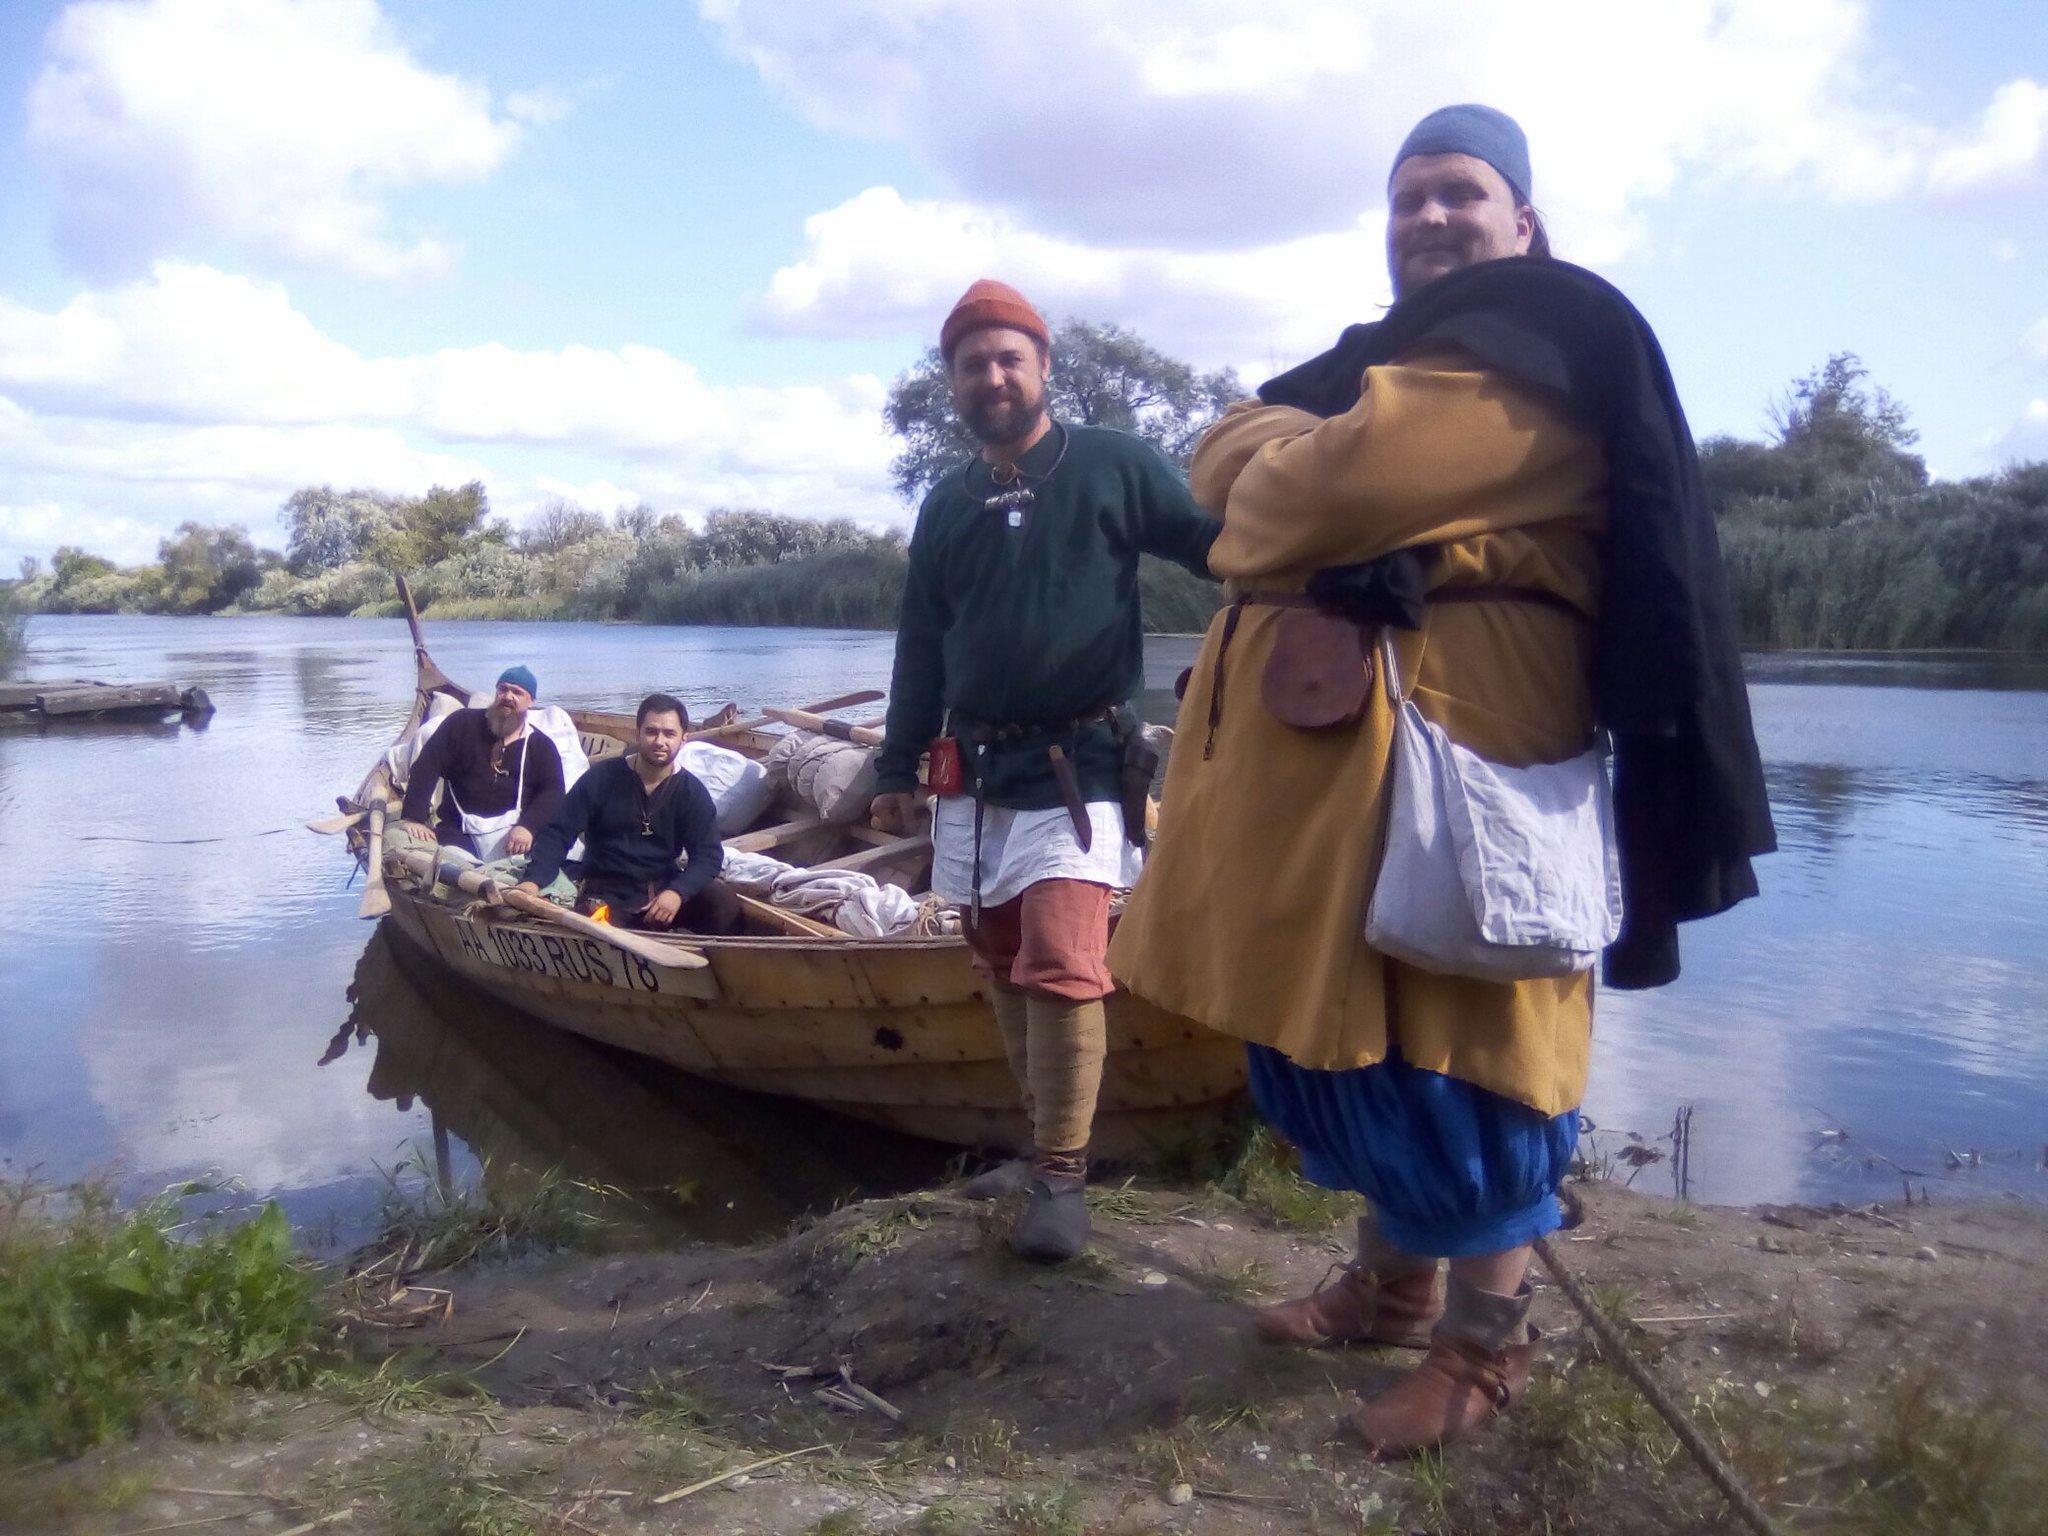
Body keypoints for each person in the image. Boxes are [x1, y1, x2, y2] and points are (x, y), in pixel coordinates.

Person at [1109, 105, 1774, 1454]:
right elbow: (1221, 466)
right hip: (1353, 762)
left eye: (1461, 192)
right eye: (1407, 196)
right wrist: (1276, 454)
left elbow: (1297, 505)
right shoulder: (1389, 362)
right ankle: (1393, 1285)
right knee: (1348, 1013)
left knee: (1464, 1034)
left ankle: (1484, 1351)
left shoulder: (1534, 349)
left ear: (1523, 219)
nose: (1429, 217)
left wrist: (1281, 460)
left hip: (1468, 748)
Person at [869, 279, 1222, 1264]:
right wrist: (896, 762)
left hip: (1082, 767)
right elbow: (919, 648)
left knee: (1065, 964)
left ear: (1042, 366)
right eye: (972, 362)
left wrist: (1305, 595)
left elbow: (1221, 547)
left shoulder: (1113, 465)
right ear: (953, 382)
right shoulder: (947, 503)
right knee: (998, 963)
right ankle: (1039, 1150)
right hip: (974, 775)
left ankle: (1062, 1177)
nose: (991, 375)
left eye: (1007, 357)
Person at [515, 693, 741, 935]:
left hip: (661, 890)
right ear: (638, 734)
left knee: (724, 902)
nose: (659, 741)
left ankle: (710, 958)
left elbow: (707, 856)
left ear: (684, 739)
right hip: (605, 892)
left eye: (669, 734)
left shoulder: (692, 793)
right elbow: (558, 833)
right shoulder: (602, 778)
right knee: (597, 927)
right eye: (651, 731)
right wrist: (533, 881)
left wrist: (677, 892)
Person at [400, 665, 564, 862]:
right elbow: (427, 765)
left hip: (515, 840)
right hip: (458, 832)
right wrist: (414, 818)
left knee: (544, 864)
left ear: (531, 702)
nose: (508, 696)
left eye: (517, 692)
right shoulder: (461, 724)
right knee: (451, 866)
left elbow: (552, 792)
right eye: (503, 689)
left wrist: (528, 827)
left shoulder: (541, 746)